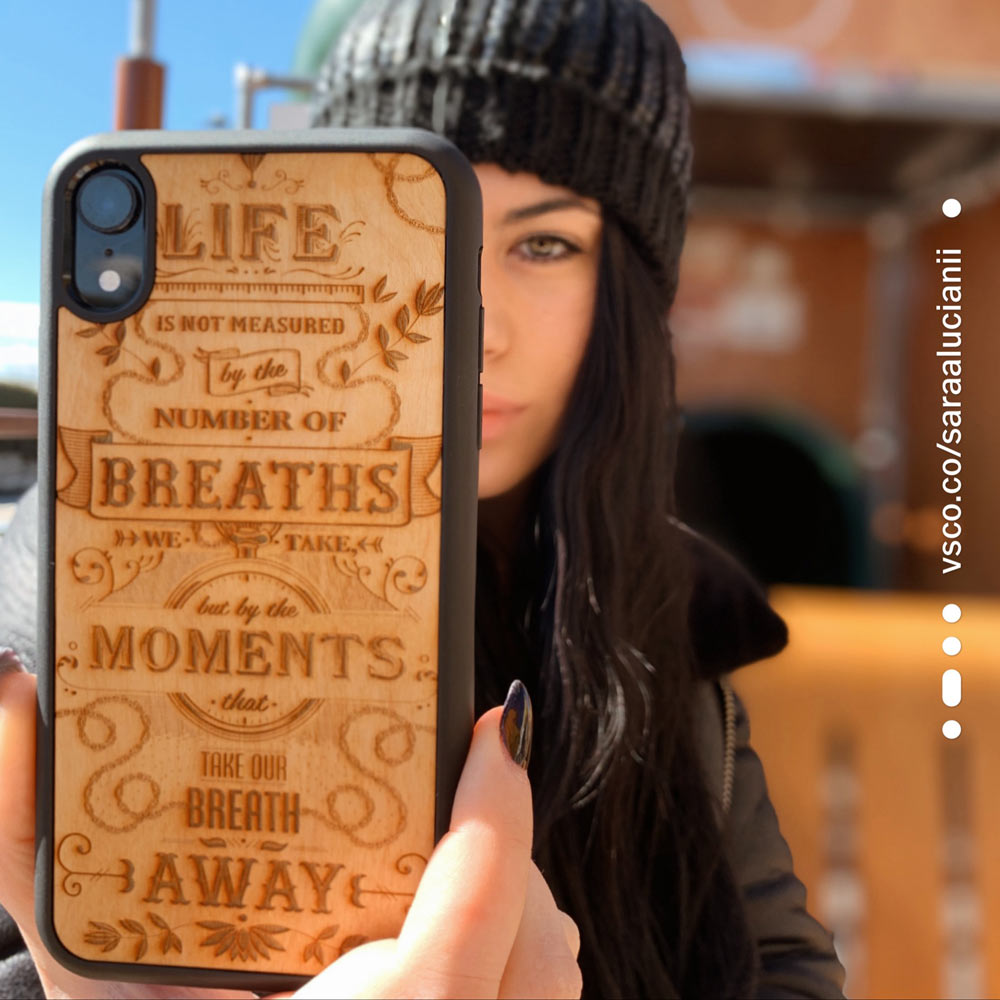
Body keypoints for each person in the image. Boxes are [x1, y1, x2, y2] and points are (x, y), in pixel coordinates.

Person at [0, 0, 847, 996]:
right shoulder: (78, 585)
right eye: (420, 236)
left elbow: (781, 965)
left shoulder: (666, 622)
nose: (469, 330)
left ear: (624, 292)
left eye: (543, 246)